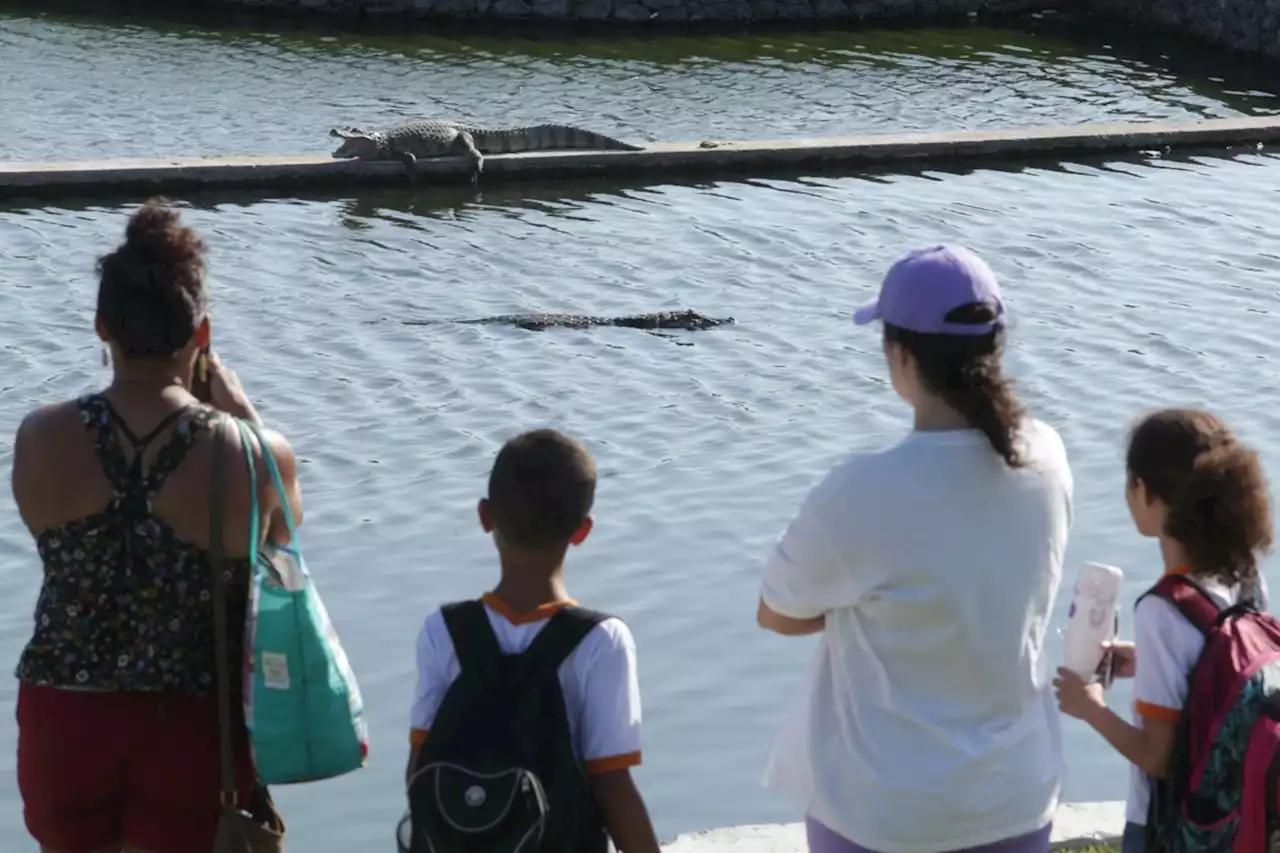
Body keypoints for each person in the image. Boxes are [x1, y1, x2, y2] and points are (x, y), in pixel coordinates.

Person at [757, 245, 1074, 853]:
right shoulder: (1049, 459)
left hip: (880, 813)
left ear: (899, 354)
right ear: (996, 348)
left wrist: (869, 606)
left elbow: (777, 612)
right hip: (1014, 797)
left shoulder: (861, 491)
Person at [11, 199, 303, 853]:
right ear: (202, 335)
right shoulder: (254, 453)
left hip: (64, 718)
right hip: (192, 726)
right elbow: (287, 552)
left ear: (100, 327)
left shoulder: (39, 437)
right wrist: (244, 414)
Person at [404, 428, 660, 853]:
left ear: (485, 516)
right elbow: (612, 784)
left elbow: (420, 765)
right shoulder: (601, 641)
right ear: (582, 531)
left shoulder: (444, 629)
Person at [1054, 408, 1273, 853]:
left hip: (1166, 827)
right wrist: (1143, 658)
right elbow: (1218, 660)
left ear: (1146, 493)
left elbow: (1157, 756)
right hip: (1233, 812)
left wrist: (1090, 707)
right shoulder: (1245, 577)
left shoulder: (1162, 610)